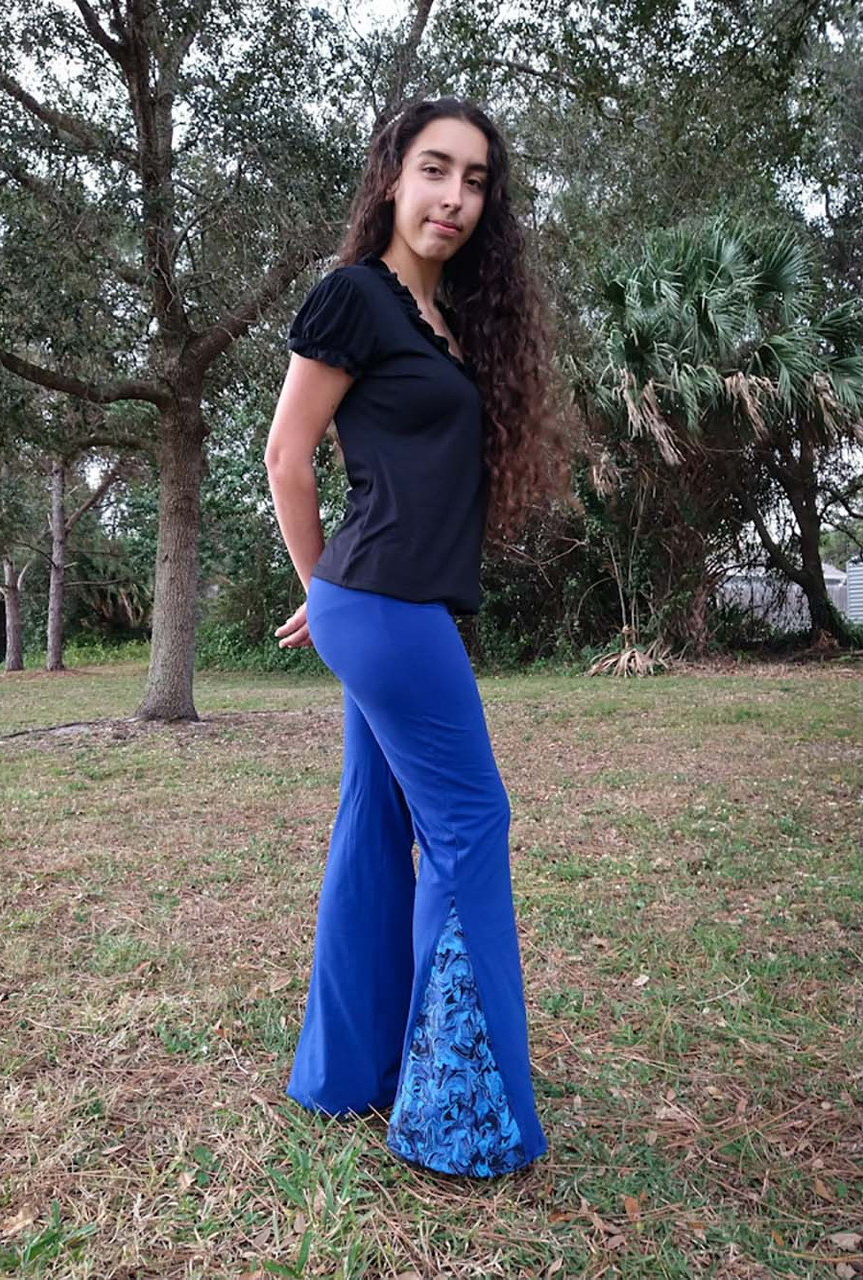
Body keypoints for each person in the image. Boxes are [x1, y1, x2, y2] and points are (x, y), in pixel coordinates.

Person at [264, 95, 573, 1178]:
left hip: (393, 604)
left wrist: (338, 599)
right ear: (393, 175)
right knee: (472, 820)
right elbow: (287, 455)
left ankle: (349, 1070)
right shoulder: (354, 295)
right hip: (382, 605)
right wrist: (325, 591)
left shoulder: (446, 322)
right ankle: (457, 1118)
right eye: (435, 169)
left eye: (476, 180)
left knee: (375, 817)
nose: (454, 197)